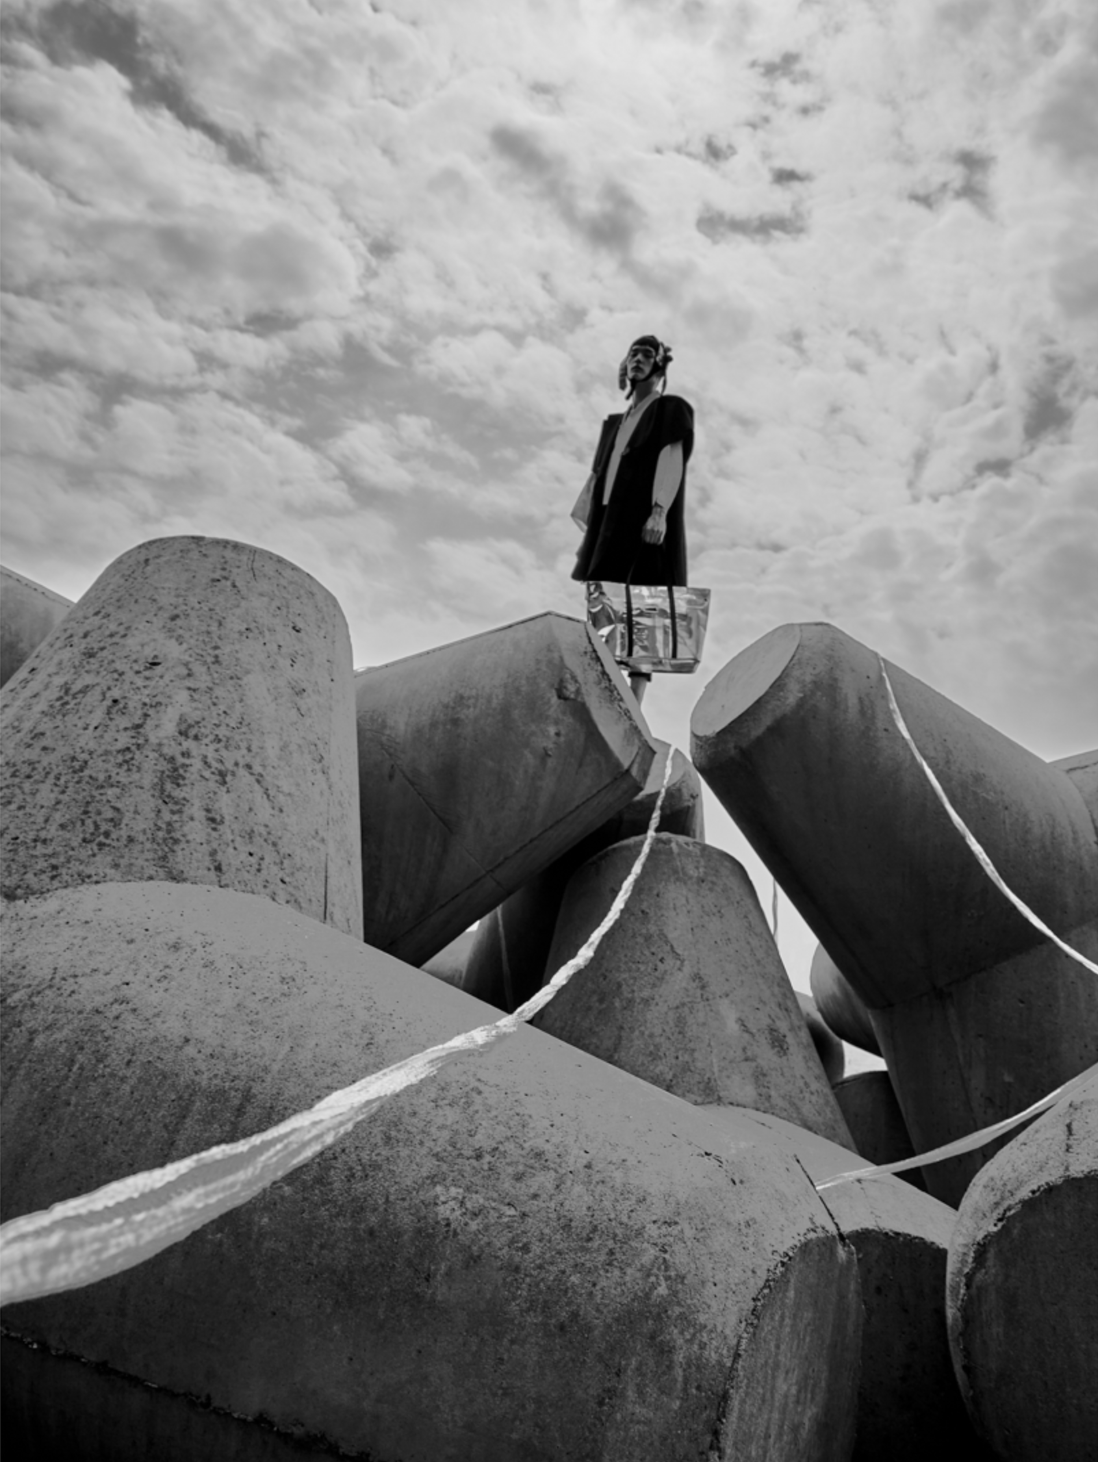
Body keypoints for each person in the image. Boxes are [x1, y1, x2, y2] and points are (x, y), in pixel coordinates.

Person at [571, 335, 694, 703]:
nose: (637, 359)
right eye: (632, 354)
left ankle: (635, 698)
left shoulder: (669, 409)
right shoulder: (615, 423)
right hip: (609, 520)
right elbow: (597, 478)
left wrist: (660, 510)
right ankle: (602, 683)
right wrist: (589, 534)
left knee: (646, 596)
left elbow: (671, 457)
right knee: (603, 594)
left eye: (646, 354)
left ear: (659, 366)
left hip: (642, 514)